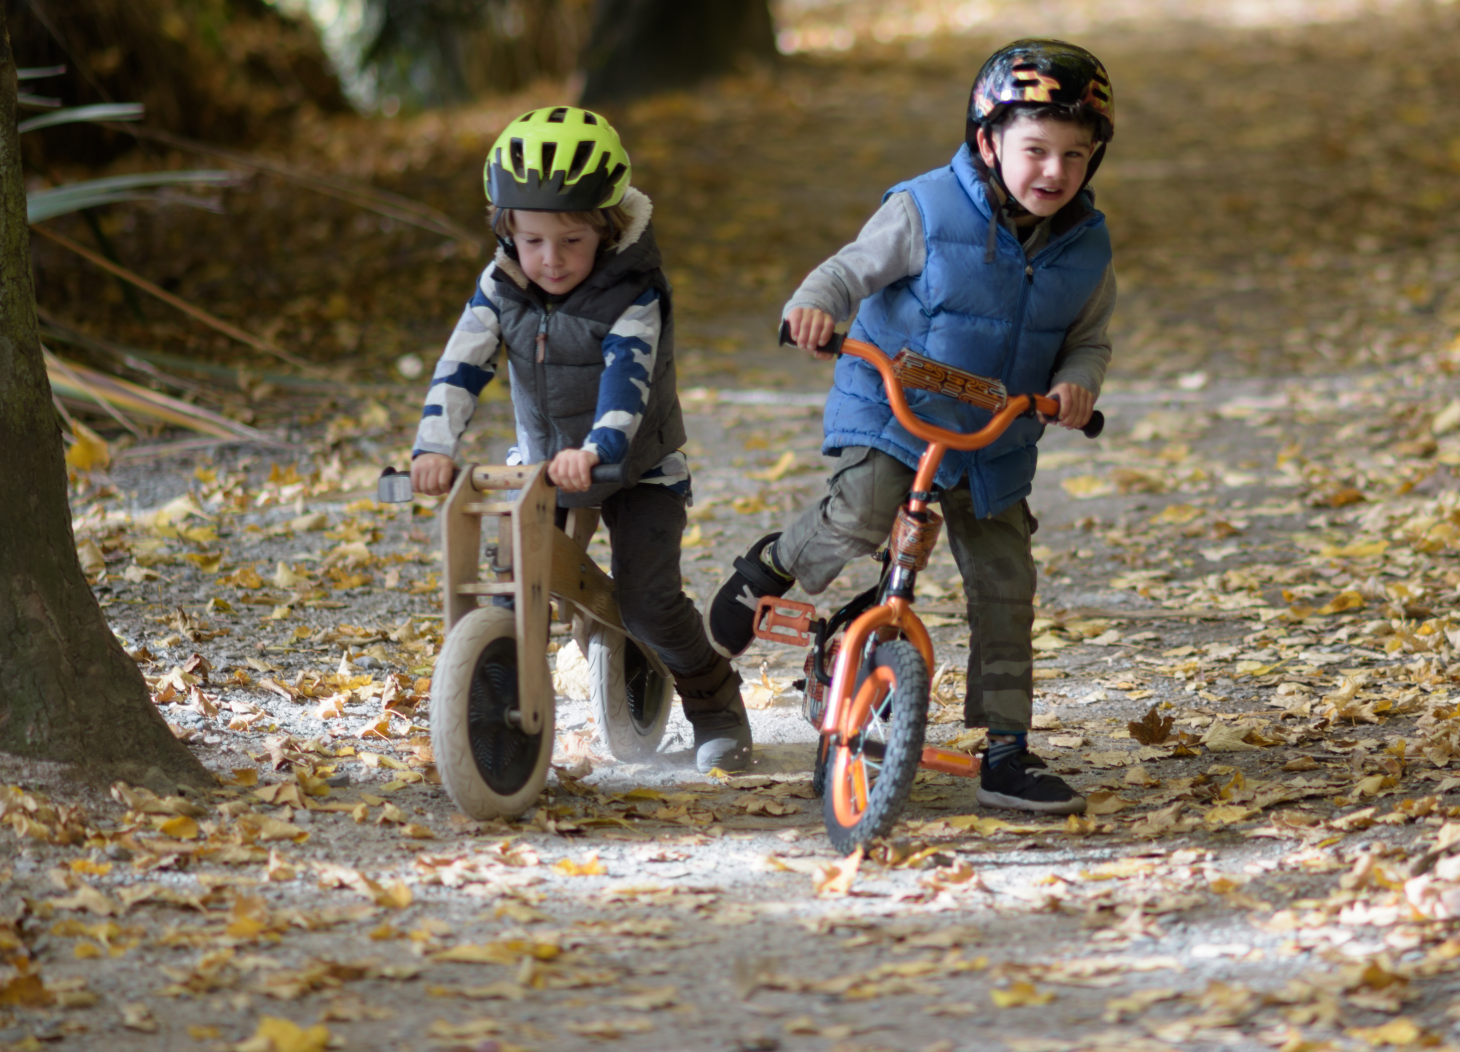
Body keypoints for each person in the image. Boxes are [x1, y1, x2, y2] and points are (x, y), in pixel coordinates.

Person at [706, 40, 1117, 815]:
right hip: (898, 405)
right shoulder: (925, 208)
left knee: (1006, 585)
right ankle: (774, 563)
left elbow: (1089, 338)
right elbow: (846, 271)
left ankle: (1007, 752)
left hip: (996, 435)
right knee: (864, 510)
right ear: (987, 141)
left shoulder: (1087, 246)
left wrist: (1075, 386)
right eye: (1035, 150)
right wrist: (813, 307)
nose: (1054, 172)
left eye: (1074, 154)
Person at [408, 106, 752, 772]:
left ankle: (714, 704)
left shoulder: (634, 293)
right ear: (508, 230)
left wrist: (597, 449)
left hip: (636, 467)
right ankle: (496, 716)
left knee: (647, 603)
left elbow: (629, 381)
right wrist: (432, 447)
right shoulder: (501, 286)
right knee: (514, 581)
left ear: (607, 225)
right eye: (532, 240)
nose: (550, 260)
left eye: (571, 241)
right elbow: (461, 367)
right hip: (545, 463)